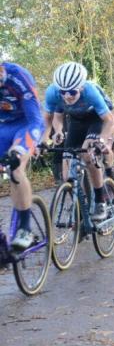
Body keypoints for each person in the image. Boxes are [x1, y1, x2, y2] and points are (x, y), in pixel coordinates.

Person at [42, 61, 114, 222]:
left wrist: (101, 141)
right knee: (67, 167)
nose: (67, 96)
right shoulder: (52, 92)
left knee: (87, 155)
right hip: (75, 121)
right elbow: (53, 118)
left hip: (96, 120)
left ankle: (100, 201)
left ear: (81, 88)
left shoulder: (90, 91)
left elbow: (110, 121)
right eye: (63, 91)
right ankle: (80, 203)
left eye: (72, 92)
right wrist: (56, 133)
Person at [0, 62, 44, 250]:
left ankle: (26, 227)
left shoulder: (18, 76)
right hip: (3, 127)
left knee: (16, 167)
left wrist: (20, 150)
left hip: (26, 124)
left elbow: (36, 120)